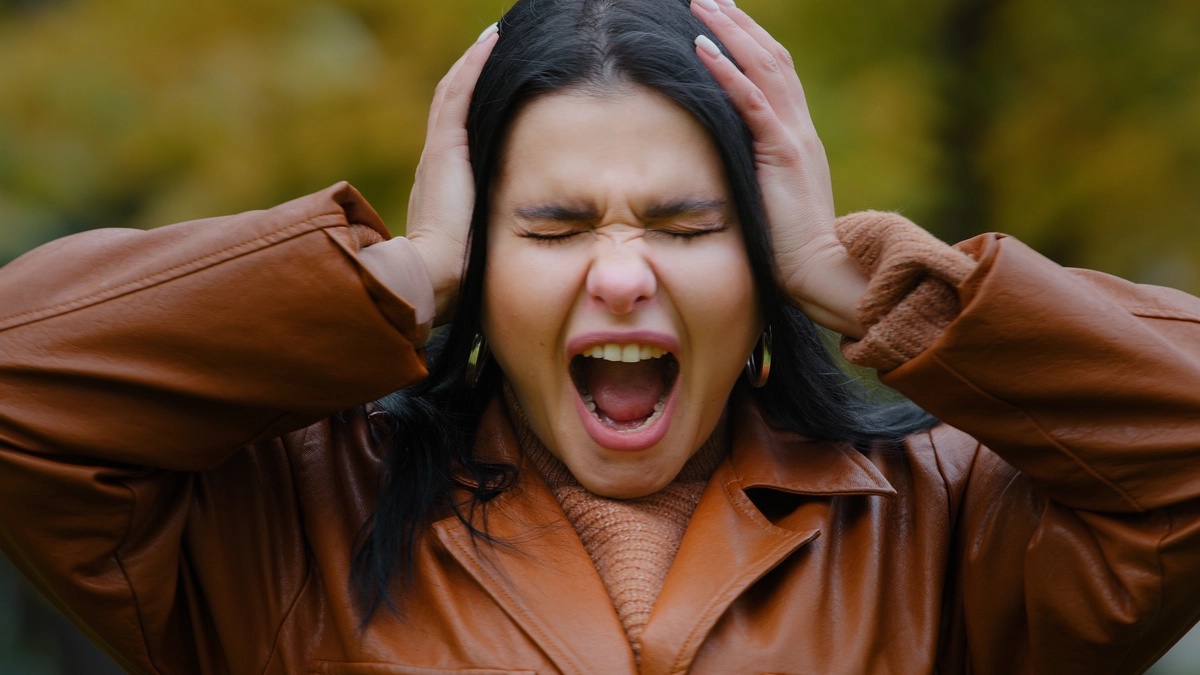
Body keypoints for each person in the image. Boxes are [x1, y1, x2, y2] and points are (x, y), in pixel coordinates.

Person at [1, 0, 1198, 672]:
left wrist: (869, 279)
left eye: (687, 226)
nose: (622, 275)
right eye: (554, 225)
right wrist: (402, 275)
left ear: (763, 263)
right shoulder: (280, 521)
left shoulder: (945, 525)